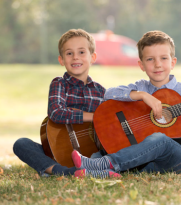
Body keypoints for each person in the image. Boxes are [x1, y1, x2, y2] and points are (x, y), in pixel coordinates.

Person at [71, 30, 181, 176]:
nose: (157, 64)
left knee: (160, 139)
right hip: (148, 159)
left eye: (163, 58)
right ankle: (102, 171)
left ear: (173, 62)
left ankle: (104, 164)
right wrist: (142, 95)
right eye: (150, 59)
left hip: (180, 159)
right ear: (141, 65)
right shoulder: (141, 87)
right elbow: (109, 94)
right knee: (108, 150)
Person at [13, 29, 121, 178]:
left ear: (93, 57)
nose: (75, 57)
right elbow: (56, 112)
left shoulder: (101, 91)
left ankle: (87, 169)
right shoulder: (59, 84)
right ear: (62, 60)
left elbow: (107, 123)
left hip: (91, 154)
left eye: (81, 52)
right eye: (69, 53)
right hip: (58, 150)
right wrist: (94, 116)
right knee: (21, 144)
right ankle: (65, 172)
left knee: (113, 152)